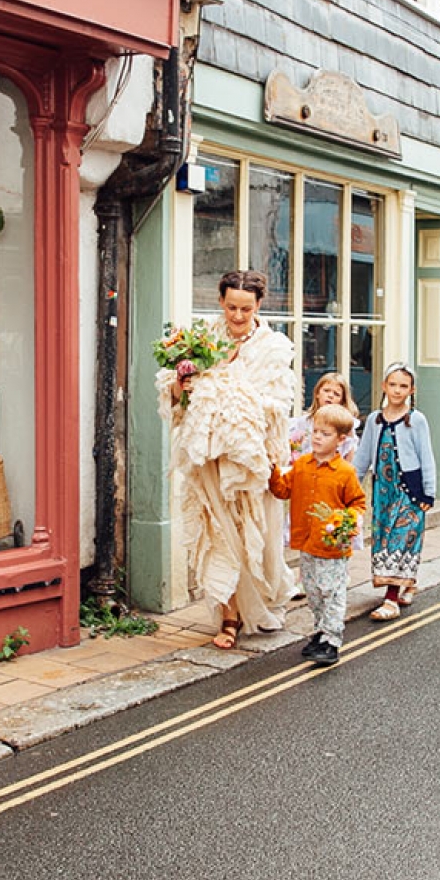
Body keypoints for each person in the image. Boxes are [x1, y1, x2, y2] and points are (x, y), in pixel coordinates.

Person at [158, 268, 296, 649]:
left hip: (251, 461)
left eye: (246, 309)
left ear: (258, 306)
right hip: (209, 459)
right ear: (220, 302)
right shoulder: (202, 339)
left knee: (257, 538)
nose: (237, 316)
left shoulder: (272, 347)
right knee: (218, 534)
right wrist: (181, 386)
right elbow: (176, 395)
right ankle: (229, 616)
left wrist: (223, 391)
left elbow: (277, 405)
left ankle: (264, 599)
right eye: (232, 307)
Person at [269, 404, 368, 667]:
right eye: (315, 432)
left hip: (332, 544)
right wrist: (271, 471)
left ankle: (332, 640)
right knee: (313, 591)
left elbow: (358, 503)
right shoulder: (301, 465)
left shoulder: (346, 472)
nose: (316, 437)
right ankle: (320, 631)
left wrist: (346, 522)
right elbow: (282, 490)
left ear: (341, 440)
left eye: (324, 434)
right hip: (307, 542)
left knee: (331, 592)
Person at [355, 363, 436, 621]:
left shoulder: (417, 420)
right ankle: (407, 582)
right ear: (383, 386)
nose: (397, 390)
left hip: (409, 491)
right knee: (383, 538)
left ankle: (391, 600)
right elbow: (363, 457)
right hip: (383, 492)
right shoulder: (374, 419)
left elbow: (427, 457)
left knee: (400, 539)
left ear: (412, 390)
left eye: (403, 386)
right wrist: (351, 487)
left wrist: (428, 493)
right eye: (393, 385)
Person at [289, 372, 361, 461]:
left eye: (336, 394)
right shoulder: (303, 422)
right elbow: (294, 449)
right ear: (317, 393)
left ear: (342, 401)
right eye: (326, 390)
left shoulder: (345, 426)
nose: (330, 396)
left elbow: (351, 458)